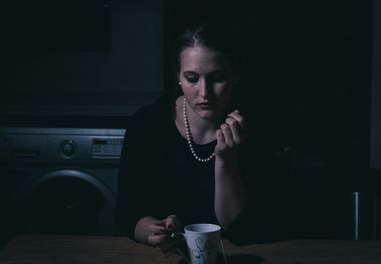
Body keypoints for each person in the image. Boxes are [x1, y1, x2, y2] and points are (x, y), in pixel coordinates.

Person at [116, 22, 291, 248]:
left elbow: (242, 230)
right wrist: (154, 230)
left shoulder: (255, 129)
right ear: (178, 77)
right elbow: (127, 213)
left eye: (217, 78)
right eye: (192, 78)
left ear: (234, 74)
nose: (204, 92)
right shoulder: (147, 124)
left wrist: (226, 161)